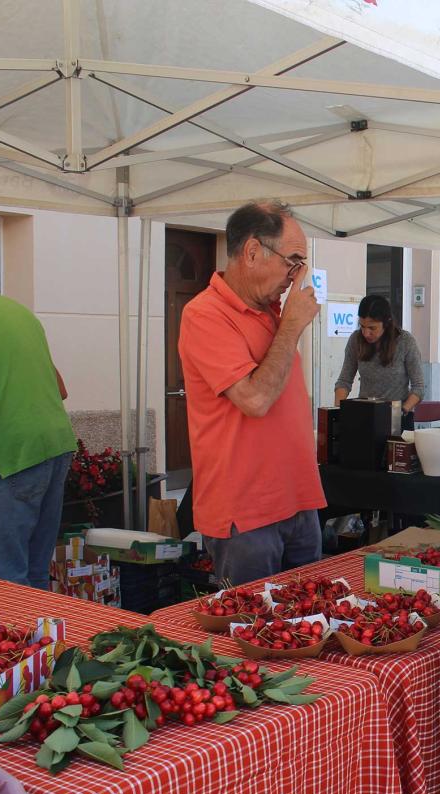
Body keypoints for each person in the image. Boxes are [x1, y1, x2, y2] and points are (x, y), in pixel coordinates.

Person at [178, 200, 325, 585]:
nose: (297, 277)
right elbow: (255, 400)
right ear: (253, 252)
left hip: (298, 500)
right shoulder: (205, 314)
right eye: (293, 262)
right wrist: (291, 326)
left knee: (311, 616)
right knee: (251, 619)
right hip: (247, 514)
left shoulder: (272, 311)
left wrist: (286, 322)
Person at [0, 296, 76, 589]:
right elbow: (60, 389)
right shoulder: (17, 312)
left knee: (6, 581)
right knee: (36, 571)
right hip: (54, 445)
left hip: (11, 456)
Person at [333, 295, 425, 415]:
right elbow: (344, 381)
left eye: (372, 328)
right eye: (362, 326)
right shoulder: (356, 340)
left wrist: (402, 411)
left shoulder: (405, 341)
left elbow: (418, 388)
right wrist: (338, 412)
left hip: (398, 416)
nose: (366, 333)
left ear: (387, 323)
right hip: (366, 414)